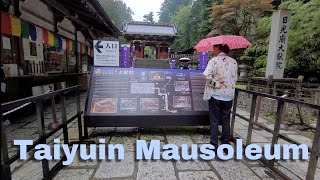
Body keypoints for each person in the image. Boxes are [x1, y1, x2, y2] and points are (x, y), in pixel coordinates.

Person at [202, 44, 238, 150]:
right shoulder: (234, 61)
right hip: (228, 95)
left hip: (216, 95)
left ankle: (214, 144)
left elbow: (207, 75)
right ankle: (225, 144)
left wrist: (217, 84)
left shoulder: (214, 60)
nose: (212, 50)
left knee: (214, 120)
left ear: (218, 48)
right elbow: (235, 78)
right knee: (226, 119)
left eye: (214, 48)